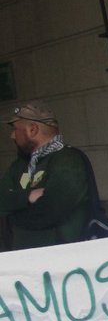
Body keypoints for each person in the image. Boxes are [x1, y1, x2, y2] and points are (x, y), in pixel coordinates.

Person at [0, 101, 88, 250]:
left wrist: (13, 216)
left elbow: (53, 209)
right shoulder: (20, 164)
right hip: (25, 256)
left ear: (32, 129)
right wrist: (28, 196)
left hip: (61, 256)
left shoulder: (68, 160)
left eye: (15, 129)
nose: (12, 135)